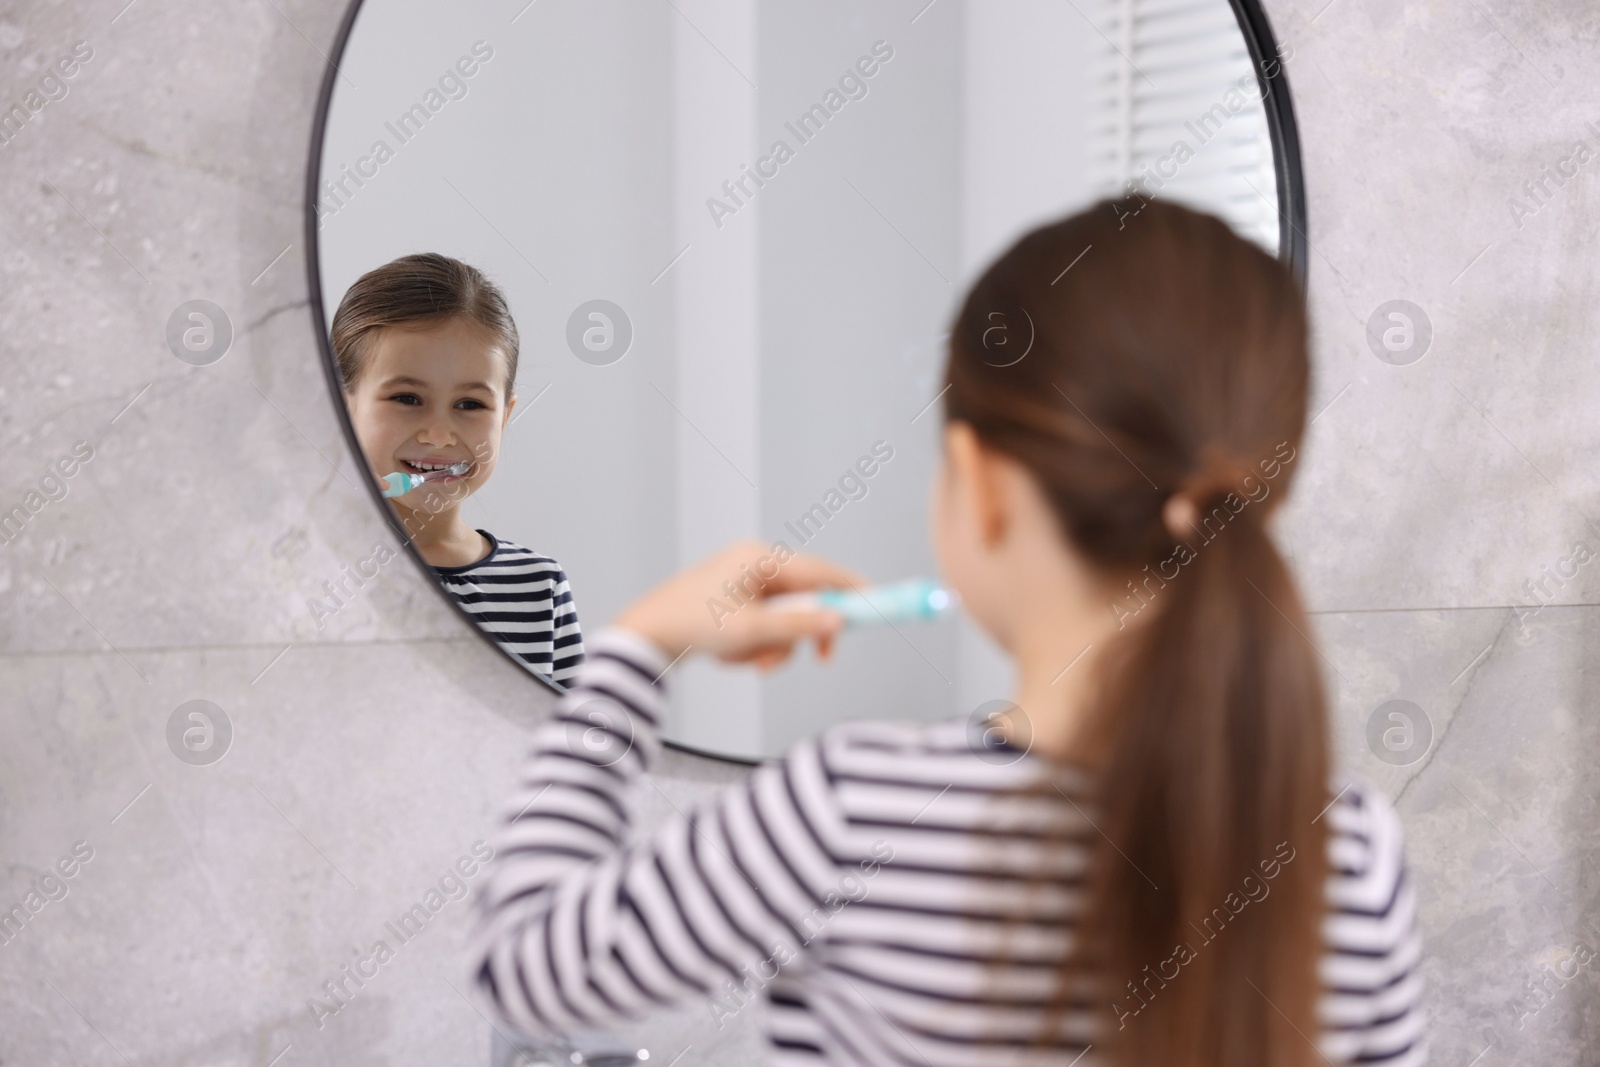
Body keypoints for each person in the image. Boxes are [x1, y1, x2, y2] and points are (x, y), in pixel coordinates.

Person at [467, 200, 1425, 1066]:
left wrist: (635, 649)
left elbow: (525, 968)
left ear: (981, 482)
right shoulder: (1348, 852)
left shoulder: (856, 811)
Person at [333, 252, 584, 686]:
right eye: (407, 398)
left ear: (504, 418)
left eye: (470, 405)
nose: (439, 435)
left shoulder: (539, 587)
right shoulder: (317, 574)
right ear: (340, 406)